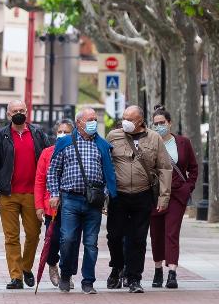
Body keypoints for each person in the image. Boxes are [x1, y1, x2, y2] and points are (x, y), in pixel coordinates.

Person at [47, 107, 117, 293]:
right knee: (68, 239)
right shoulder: (65, 143)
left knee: (91, 243)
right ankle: (66, 274)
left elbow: (109, 173)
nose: (93, 122)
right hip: (70, 199)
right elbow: (53, 171)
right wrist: (54, 194)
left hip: (93, 202)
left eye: (95, 119)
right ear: (79, 123)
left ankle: (88, 282)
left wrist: (104, 193)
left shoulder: (102, 145)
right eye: (90, 119)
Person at [105, 105, 171, 292]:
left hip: (143, 194)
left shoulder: (154, 138)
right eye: (124, 118)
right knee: (114, 236)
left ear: (140, 121)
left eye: (130, 119)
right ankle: (117, 267)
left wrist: (164, 197)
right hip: (118, 195)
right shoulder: (113, 136)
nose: (125, 122)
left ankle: (134, 278)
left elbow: (165, 168)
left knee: (138, 239)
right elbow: (104, 163)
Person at [0, 100, 50, 288]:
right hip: (8, 194)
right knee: (11, 237)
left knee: (33, 234)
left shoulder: (38, 134)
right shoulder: (1, 136)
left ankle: (26, 267)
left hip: (33, 194)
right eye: (15, 111)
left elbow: (49, 162)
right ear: (8, 115)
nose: (18, 113)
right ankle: (16, 277)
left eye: (22, 110)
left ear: (27, 112)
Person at [148, 106, 198, 288]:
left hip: (177, 194)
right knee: (156, 233)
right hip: (155, 194)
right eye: (155, 124)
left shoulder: (183, 143)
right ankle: (158, 270)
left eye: (162, 123)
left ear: (169, 123)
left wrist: (188, 187)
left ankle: (172, 272)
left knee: (171, 232)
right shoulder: (150, 143)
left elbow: (193, 168)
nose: (159, 126)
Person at [34, 118, 74, 286]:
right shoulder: (47, 153)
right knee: (53, 240)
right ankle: (52, 264)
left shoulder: (77, 151)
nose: (62, 134)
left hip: (72, 204)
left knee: (69, 240)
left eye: (67, 132)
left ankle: (67, 274)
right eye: (60, 131)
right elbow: (39, 181)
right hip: (52, 206)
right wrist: (39, 206)